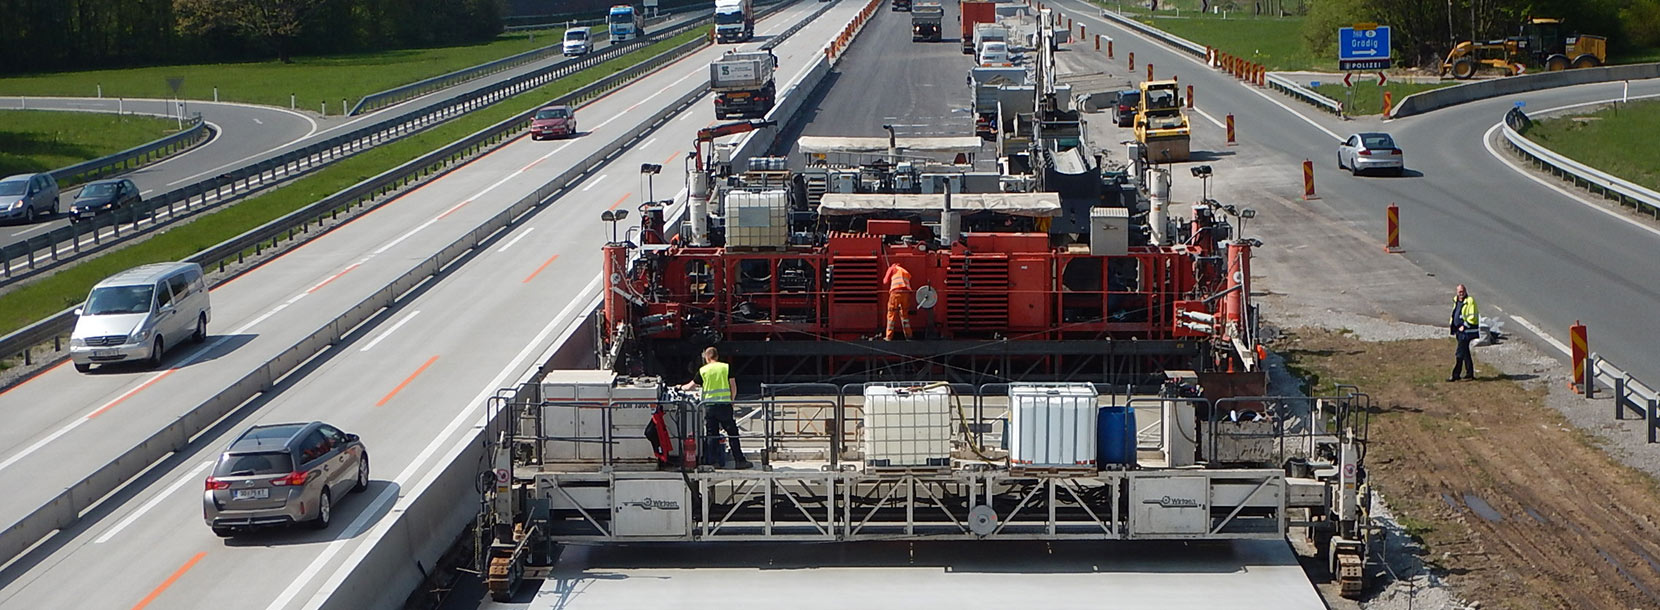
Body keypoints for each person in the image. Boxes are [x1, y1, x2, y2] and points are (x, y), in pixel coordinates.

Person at [680, 347, 752, 469]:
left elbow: (690, 386)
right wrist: (731, 400)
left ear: (707, 358)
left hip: (709, 407)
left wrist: (679, 387)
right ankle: (740, 461)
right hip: (724, 406)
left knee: (711, 434)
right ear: (717, 356)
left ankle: (711, 463)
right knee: (732, 433)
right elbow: (733, 386)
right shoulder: (726, 367)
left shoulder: (703, 370)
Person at [1448, 284, 1479, 381]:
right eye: (1459, 292)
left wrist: (1464, 326)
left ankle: (1455, 375)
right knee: (1465, 352)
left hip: (1467, 331)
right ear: (1457, 292)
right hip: (1459, 331)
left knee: (1460, 353)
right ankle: (1470, 373)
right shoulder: (1456, 300)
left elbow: (1472, 317)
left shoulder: (1470, 301)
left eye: (1462, 291)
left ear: (1465, 291)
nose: (1461, 293)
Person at [881, 262, 914, 340]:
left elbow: (885, 281)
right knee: (904, 315)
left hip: (896, 293)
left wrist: (889, 271)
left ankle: (888, 337)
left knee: (891, 314)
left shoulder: (892, 268)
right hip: (906, 294)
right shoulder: (904, 270)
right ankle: (908, 336)